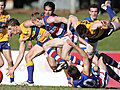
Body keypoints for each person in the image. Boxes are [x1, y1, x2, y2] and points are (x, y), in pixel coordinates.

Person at [6, 18, 61, 85]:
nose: (10, 32)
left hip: (49, 39)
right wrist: (13, 68)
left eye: (10, 29)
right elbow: (21, 54)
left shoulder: (25, 24)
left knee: (53, 65)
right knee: (28, 57)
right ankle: (30, 81)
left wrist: (49, 30)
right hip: (41, 43)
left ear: (15, 26)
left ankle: (63, 57)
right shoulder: (21, 38)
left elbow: (40, 21)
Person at [0, 0, 15, 84]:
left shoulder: (7, 15)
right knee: (1, 63)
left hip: (4, 40)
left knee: (10, 61)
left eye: (2, 5)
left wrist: (9, 34)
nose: (1, 7)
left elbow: (9, 27)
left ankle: (12, 81)